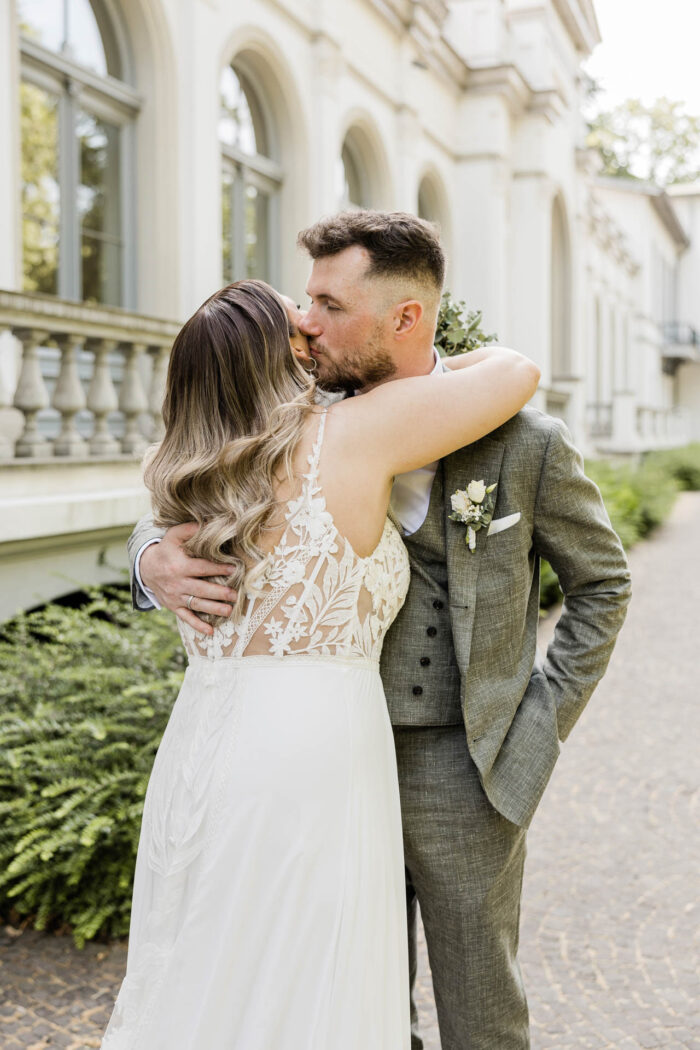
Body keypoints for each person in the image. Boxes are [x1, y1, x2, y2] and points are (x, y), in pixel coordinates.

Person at [106, 251, 540, 1047]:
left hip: (202, 748)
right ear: (279, 355)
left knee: (207, 965)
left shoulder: (177, 470)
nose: (312, 323)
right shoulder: (352, 436)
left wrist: (146, 557)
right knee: (309, 977)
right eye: (297, 320)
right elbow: (515, 371)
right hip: (314, 755)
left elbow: (155, 531)